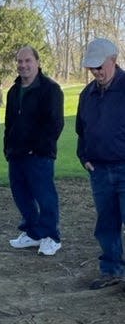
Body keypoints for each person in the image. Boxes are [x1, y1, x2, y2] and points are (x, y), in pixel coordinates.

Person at [4, 46, 64, 256]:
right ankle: (33, 232)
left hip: (39, 155)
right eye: (20, 61)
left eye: (28, 61)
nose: (23, 65)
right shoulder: (13, 90)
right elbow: (9, 123)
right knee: (21, 196)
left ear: (37, 62)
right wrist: (8, 148)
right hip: (16, 155)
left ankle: (51, 236)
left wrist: (36, 149)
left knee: (45, 196)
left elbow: (55, 124)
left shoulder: (50, 89)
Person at [76, 38, 125, 290]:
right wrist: (83, 157)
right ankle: (111, 270)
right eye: (91, 68)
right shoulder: (88, 94)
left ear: (113, 60)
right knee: (106, 223)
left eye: (99, 66)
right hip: (99, 170)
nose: (96, 72)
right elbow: (81, 131)